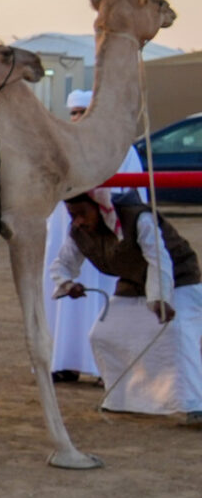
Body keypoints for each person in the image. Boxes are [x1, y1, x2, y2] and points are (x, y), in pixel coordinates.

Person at [55, 184, 202, 424]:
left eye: (82, 213)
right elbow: (63, 263)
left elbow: (159, 259)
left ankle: (194, 404)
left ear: (100, 207)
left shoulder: (138, 218)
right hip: (132, 282)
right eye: (73, 215)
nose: (78, 221)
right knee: (102, 335)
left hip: (179, 279)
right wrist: (67, 283)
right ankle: (121, 399)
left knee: (176, 333)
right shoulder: (78, 231)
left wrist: (160, 298)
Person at [42, 90, 137, 382]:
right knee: (63, 293)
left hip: (108, 233)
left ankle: (103, 368)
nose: (77, 118)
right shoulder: (61, 146)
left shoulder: (121, 148)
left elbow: (132, 194)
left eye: (83, 112)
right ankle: (63, 362)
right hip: (66, 230)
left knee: (105, 297)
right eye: (73, 113)